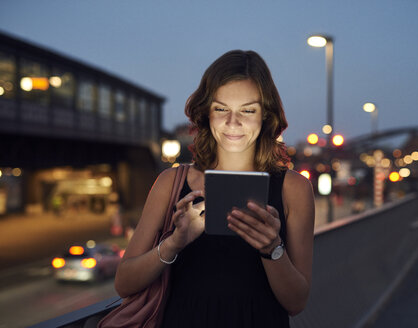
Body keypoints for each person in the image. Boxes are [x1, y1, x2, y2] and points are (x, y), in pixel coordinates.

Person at [114, 50, 315, 327]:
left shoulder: (294, 189)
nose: (234, 122)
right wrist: (174, 242)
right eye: (222, 109)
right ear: (206, 112)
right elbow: (124, 283)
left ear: (265, 116)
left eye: (248, 110)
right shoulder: (170, 183)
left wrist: (272, 248)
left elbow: (296, 303)